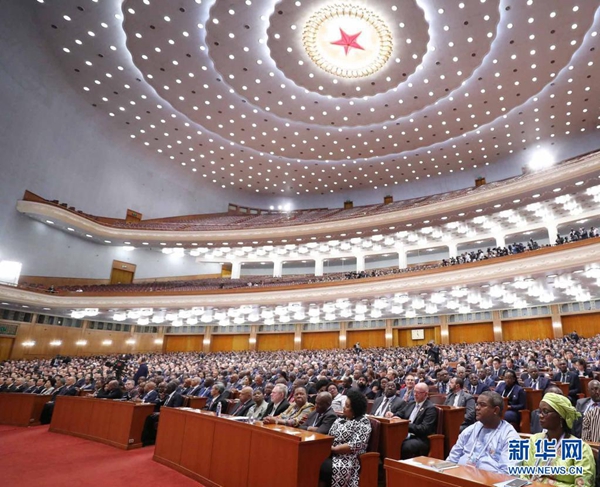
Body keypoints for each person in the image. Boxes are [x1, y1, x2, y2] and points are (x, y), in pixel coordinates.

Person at [520, 393, 595, 486]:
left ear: (560, 416)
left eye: (545, 411)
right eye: (539, 411)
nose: (540, 415)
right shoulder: (535, 440)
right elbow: (524, 474)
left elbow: (583, 484)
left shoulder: (581, 448)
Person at [447, 391, 521, 473]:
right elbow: (452, 459)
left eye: (482, 405)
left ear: (495, 410)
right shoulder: (470, 430)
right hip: (459, 476)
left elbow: (509, 474)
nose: (477, 408)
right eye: (477, 404)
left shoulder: (511, 437)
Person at [318, 389, 371, 487]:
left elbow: (355, 445)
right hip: (330, 453)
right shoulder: (341, 418)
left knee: (322, 466)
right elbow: (330, 435)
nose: (344, 407)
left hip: (348, 459)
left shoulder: (363, 422)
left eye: (347, 406)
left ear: (355, 409)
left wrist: (333, 449)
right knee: (313, 461)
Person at [392, 382, 438, 459]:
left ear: (425, 394)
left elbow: (424, 428)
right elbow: (401, 414)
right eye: (414, 392)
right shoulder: (411, 403)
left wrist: (405, 425)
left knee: (404, 446)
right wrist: (394, 416)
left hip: (420, 438)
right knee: (390, 441)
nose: (415, 394)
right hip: (405, 434)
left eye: (418, 393)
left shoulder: (430, 408)